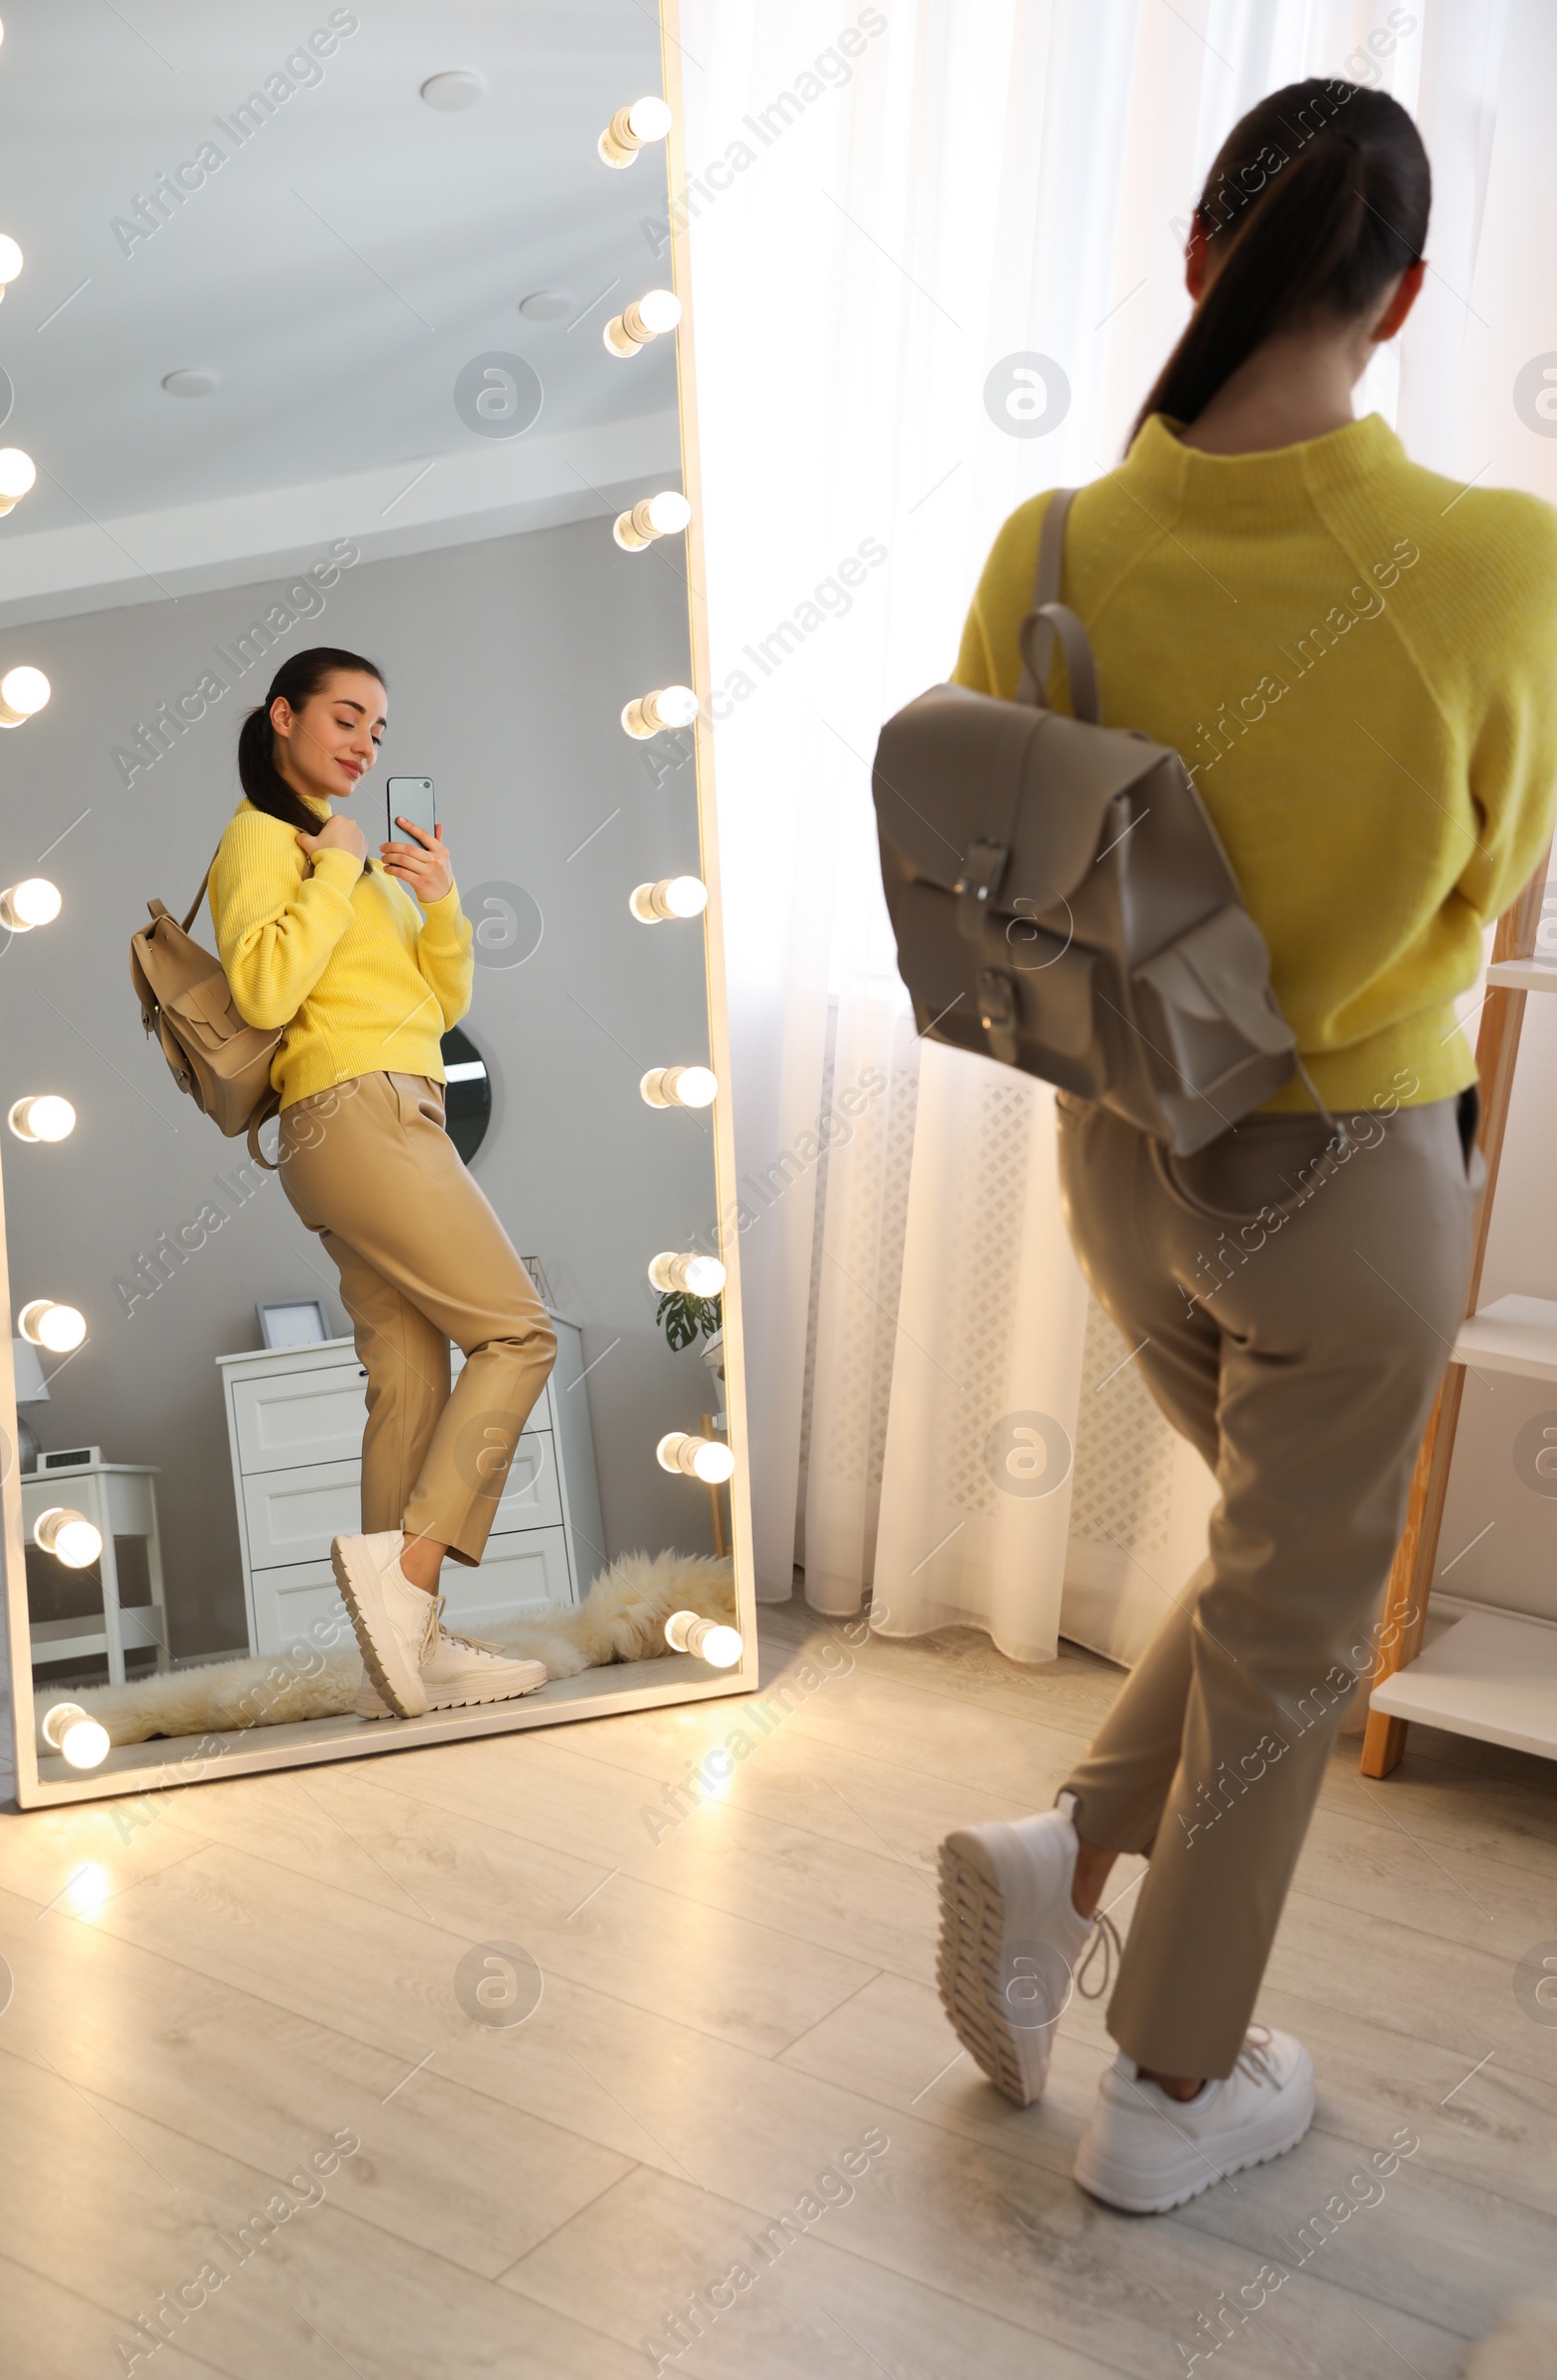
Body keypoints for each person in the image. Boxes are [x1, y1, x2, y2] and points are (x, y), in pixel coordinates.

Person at [935, 79, 1557, 2212]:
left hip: (1121, 1170)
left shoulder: (1047, 546)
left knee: (1270, 1561)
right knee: (1300, 1624)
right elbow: (1498, 880)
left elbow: (998, 869)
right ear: (1394, 297)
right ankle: (1176, 2096)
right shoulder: (1498, 558)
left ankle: (1062, 1851)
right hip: (1351, 1174)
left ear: (1200, 258)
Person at [209, 646, 557, 1721]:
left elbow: (438, 1003)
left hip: (378, 1109)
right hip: (356, 1111)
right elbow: (264, 981)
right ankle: (407, 1584)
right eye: (346, 717)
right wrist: (336, 866)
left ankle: (405, 1653)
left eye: (379, 728)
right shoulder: (264, 838)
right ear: (283, 718)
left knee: (408, 1374)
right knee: (519, 1334)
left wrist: (437, 900)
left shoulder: (359, 857)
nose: (365, 741)